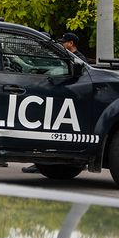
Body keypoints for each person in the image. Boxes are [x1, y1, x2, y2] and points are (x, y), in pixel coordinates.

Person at [23, 32, 87, 173]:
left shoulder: (80, 59)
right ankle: (40, 162)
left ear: (71, 43)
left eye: (64, 42)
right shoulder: (66, 56)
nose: (62, 44)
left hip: (68, 100)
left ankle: (47, 163)